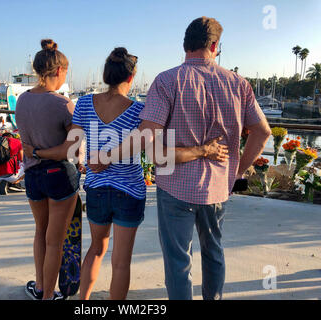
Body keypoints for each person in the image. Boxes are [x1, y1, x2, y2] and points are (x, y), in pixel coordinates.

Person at [23, 47, 229, 300]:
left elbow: (74, 144)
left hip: (97, 189)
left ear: (106, 75)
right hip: (129, 191)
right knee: (120, 262)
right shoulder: (139, 110)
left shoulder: (85, 103)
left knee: (96, 250)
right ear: (131, 78)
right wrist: (202, 150)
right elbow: (155, 149)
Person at [134, 17, 271, 300]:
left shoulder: (166, 81)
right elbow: (262, 132)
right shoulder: (238, 84)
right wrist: (236, 170)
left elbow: (148, 142)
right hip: (218, 187)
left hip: (175, 187)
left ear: (185, 44)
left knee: (178, 260)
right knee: (214, 251)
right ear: (214, 45)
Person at [15, 39, 81, 300]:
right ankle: (48, 297)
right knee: (55, 241)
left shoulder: (22, 100)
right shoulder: (62, 104)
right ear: (58, 71)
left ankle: (41, 287)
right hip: (59, 175)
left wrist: (36, 153)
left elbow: (27, 143)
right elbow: (71, 150)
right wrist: (44, 152)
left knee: (40, 233)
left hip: (32, 175)